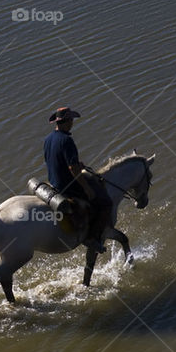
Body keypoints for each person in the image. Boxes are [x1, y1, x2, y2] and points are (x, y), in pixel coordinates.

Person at [42, 107, 112, 253]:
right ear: (66, 121)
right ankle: (92, 238)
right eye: (71, 120)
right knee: (105, 203)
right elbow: (72, 170)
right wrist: (86, 188)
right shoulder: (67, 140)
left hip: (53, 182)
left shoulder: (48, 139)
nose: (73, 123)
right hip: (67, 186)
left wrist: (76, 165)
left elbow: (52, 160)